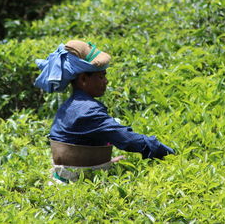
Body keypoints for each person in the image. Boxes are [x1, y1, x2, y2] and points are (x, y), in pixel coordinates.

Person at [35, 40, 174, 182]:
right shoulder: (88, 111)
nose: (106, 81)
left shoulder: (70, 105)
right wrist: (168, 153)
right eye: (101, 76)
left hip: (62, 176)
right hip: (76, 181)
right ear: (83, 79)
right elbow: (127, 139)